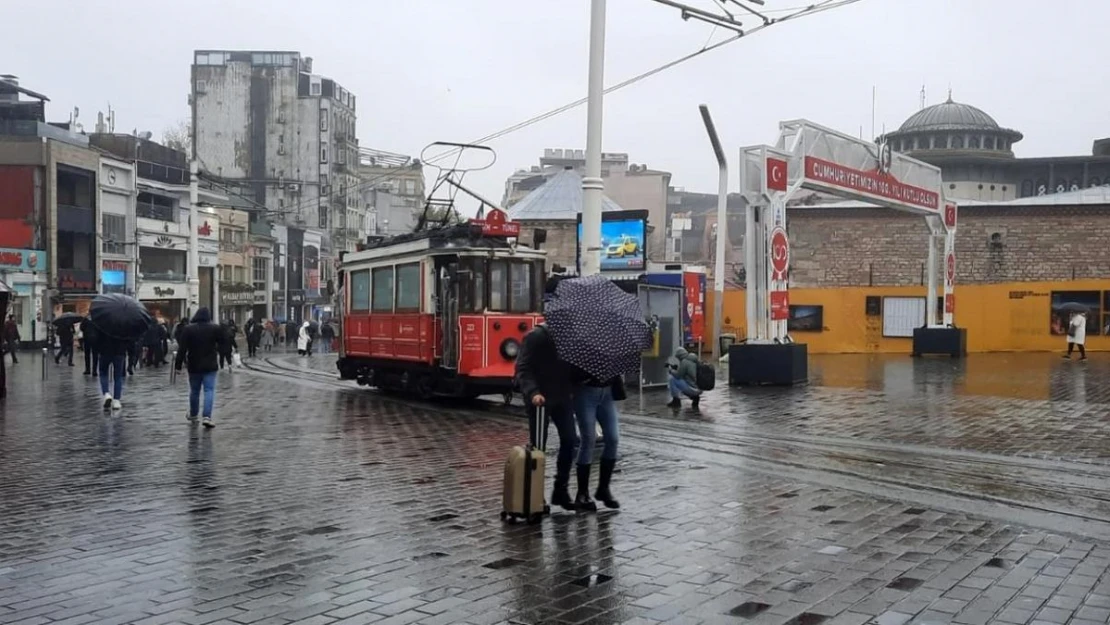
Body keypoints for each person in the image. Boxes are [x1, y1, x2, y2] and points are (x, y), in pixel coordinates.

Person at [515, 322, 580, 511]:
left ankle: (561, 490)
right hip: (540, 398)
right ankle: (536, 495)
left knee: (570, 440)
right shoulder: (536, 337)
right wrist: (533, 392)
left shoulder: (572, 339)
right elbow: (523, 367)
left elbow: (572, 369)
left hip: (562, 396)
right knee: (538, 447)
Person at [571, 367, 625, 511]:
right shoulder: (578, 347)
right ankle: (582, 493)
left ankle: (603, 489)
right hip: (585, 392)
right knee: (588, 439)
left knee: (613, 438)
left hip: (606, 392)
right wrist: (586, 375)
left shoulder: (610, 347)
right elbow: (570, 371)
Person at [175, 307, 226, 428]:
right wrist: (217, 351)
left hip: (194, 364)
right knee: (209, 390)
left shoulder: (188, 329)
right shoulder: (215, 328)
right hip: (210, 365)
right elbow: (223, 342)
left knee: (195, 391)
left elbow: (182, 349)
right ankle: (207, 416)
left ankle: (193, 414)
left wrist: (178, 365)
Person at [96, 333, 131, 410]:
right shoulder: (122, 324)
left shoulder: (102, 323)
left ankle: (106, 393)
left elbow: (96, 337)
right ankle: (116, 400)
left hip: (104, 351)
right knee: (118, 376)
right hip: (119, 352)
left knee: (103, 373)